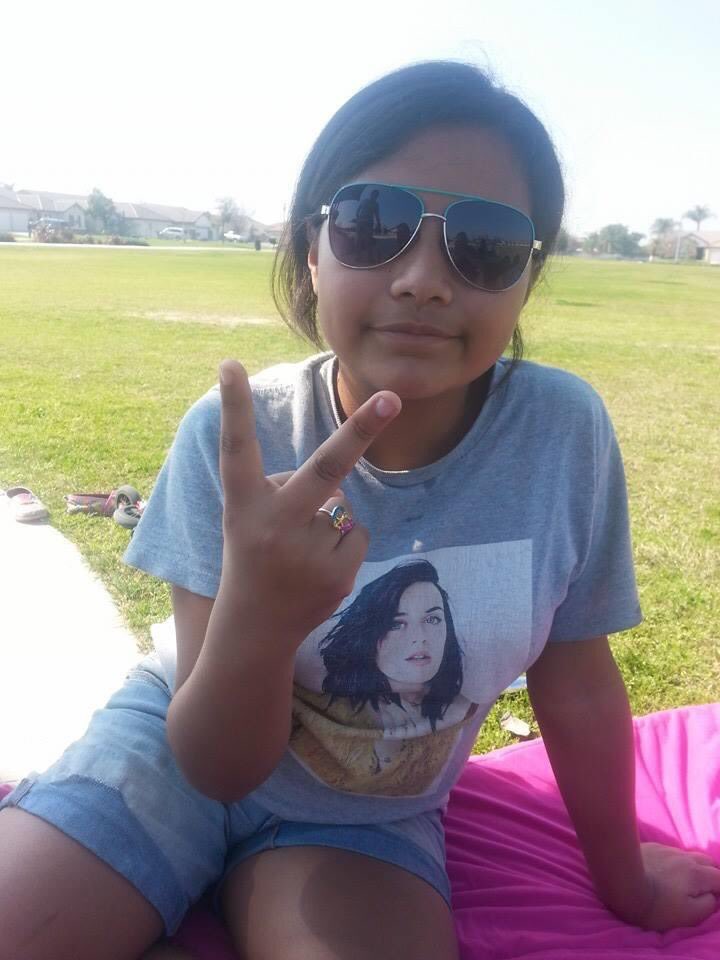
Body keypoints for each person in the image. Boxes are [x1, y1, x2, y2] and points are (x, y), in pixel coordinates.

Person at [1, 60, 719, 960]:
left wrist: (625, 878)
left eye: (485, 243)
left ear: (527, 281)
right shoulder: (239, 435)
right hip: (174, 754)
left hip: (371, 808)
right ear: (313, 249)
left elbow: (575, 679)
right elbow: (215, 766)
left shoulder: (561, 434)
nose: (422, 279)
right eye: (373, 224)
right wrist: (261, 617)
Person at [290, 559, 478, 794]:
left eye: (432, 619)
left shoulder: (461, 706)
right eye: (396, 624)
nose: (420, 637)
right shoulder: (327, 707)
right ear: (369, 635)